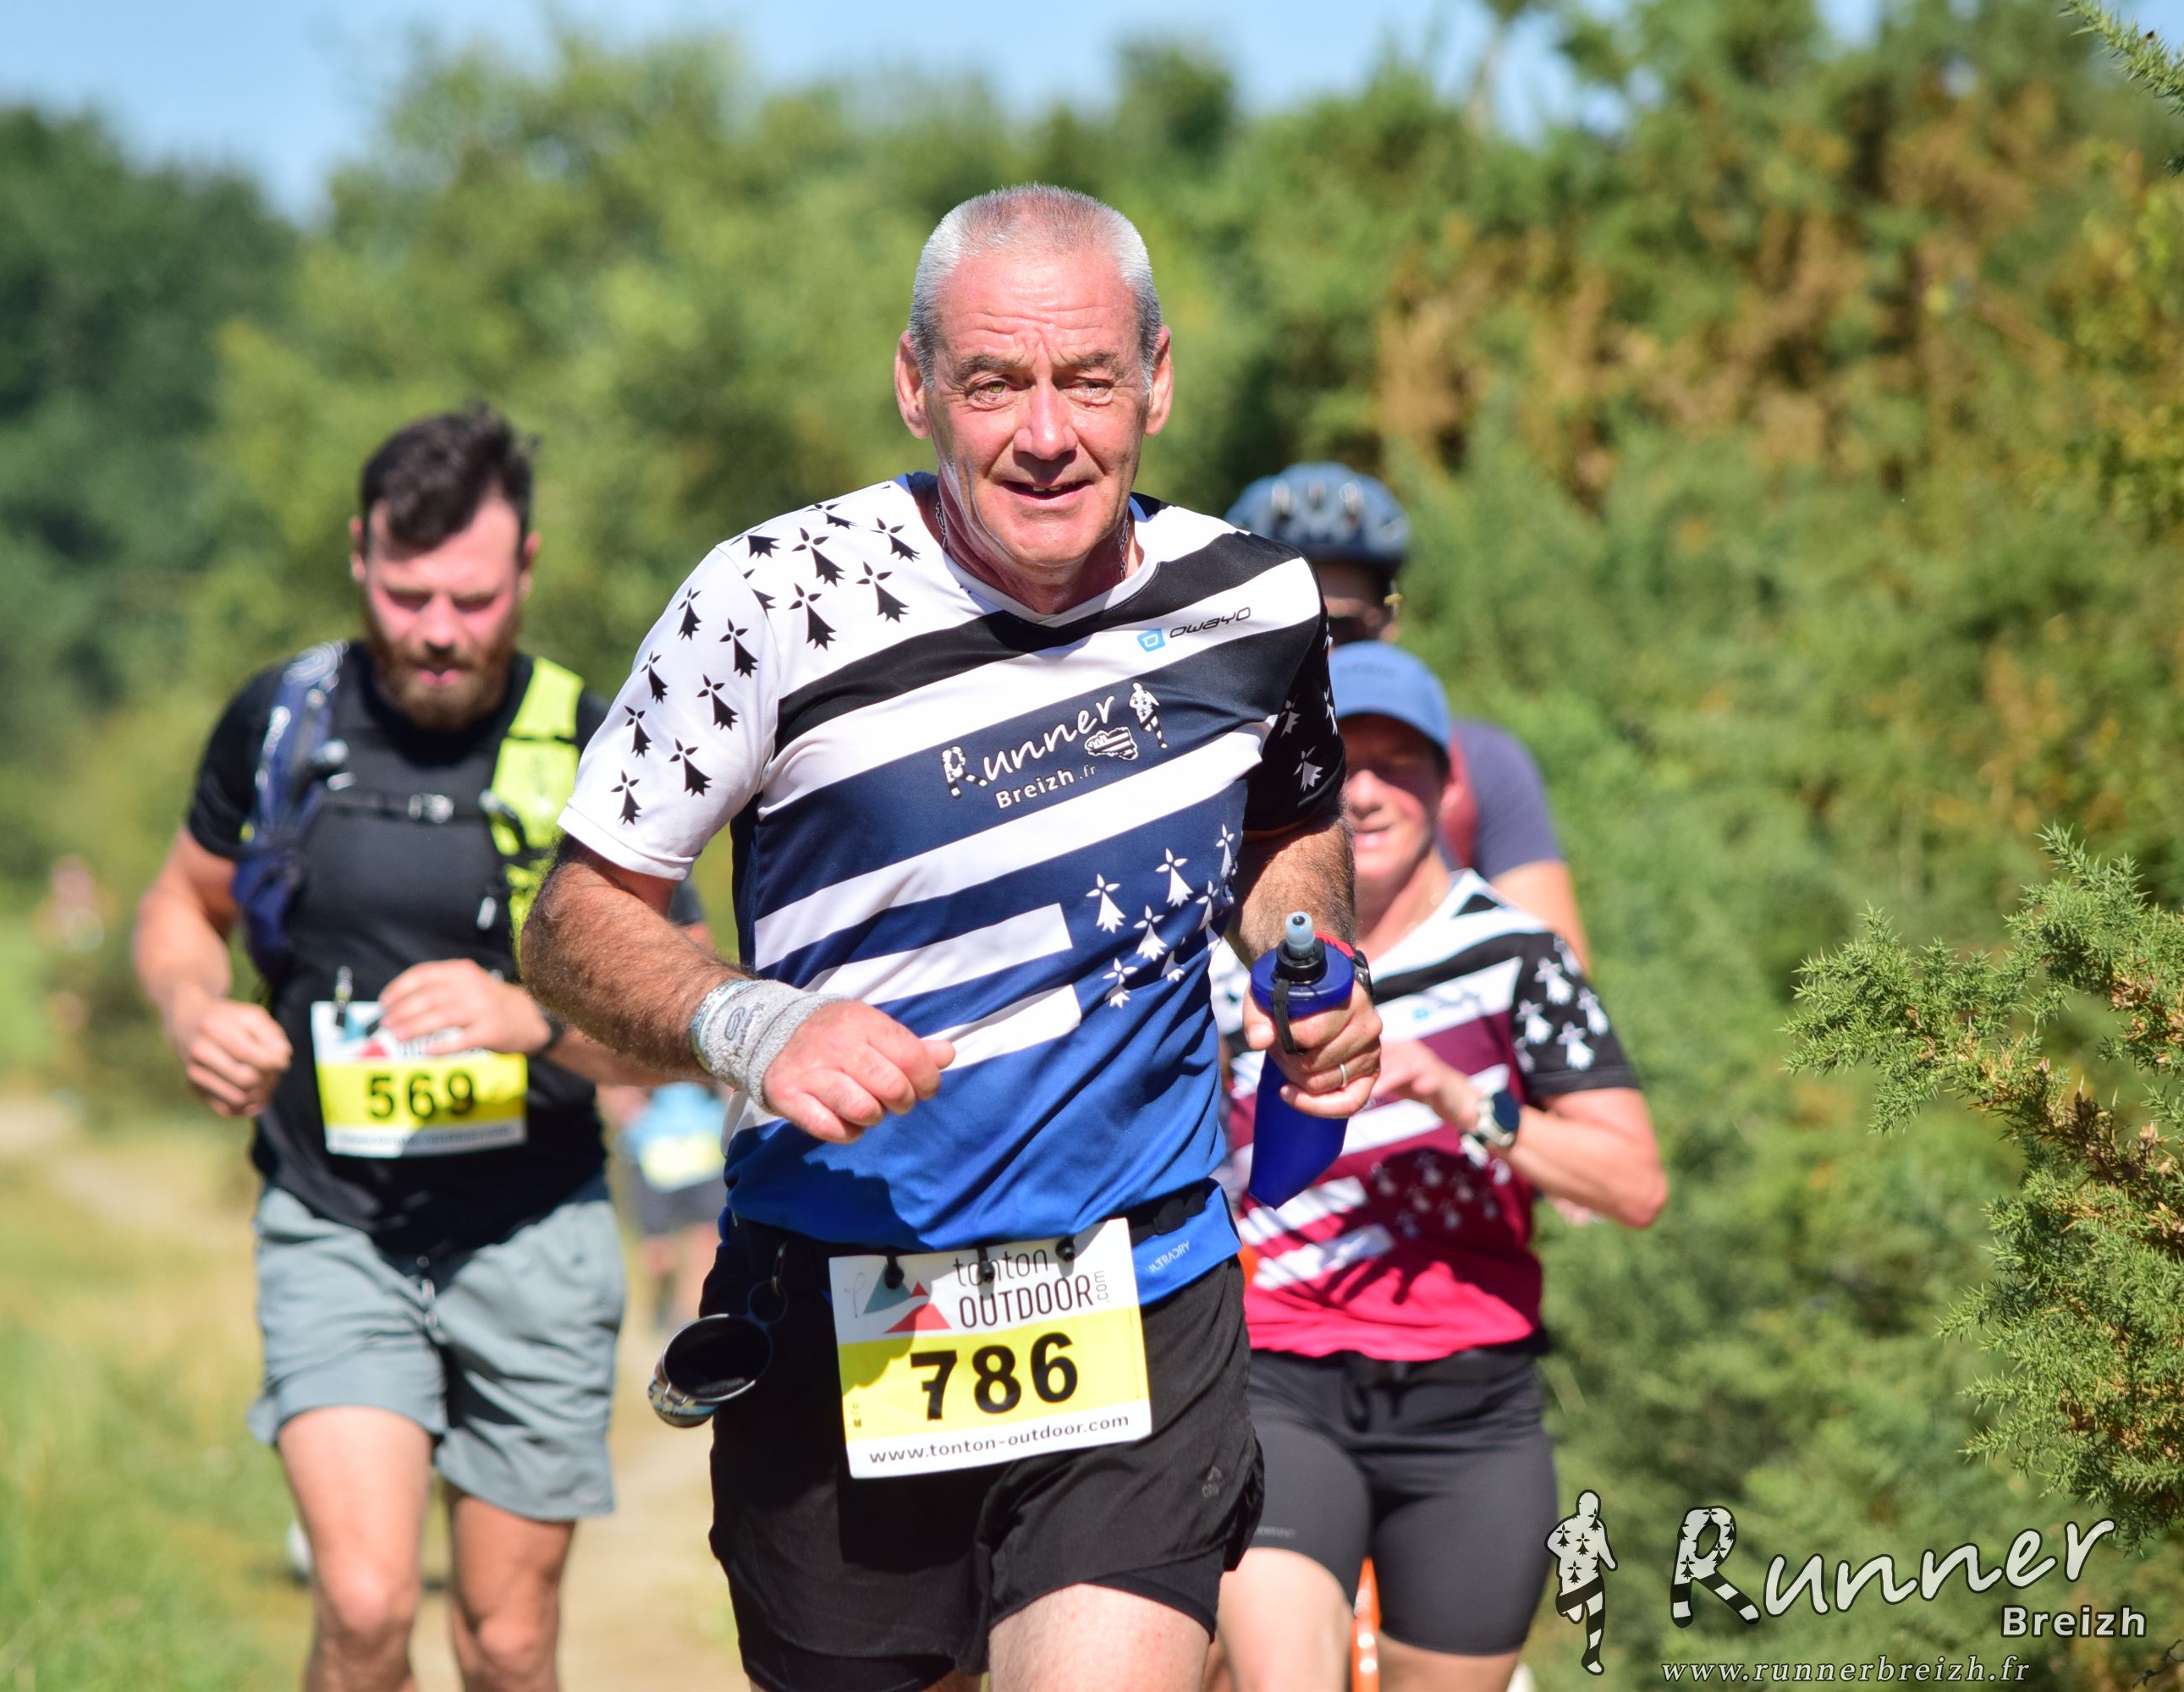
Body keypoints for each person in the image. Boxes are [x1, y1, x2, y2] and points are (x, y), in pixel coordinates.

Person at [519, 184, 1386, 1692]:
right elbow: (572, 922)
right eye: (993, 383)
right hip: (840, 1297)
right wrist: (755, 1024)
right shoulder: (769, 601)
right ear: (915, 383)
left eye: (1088, 380)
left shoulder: (1254, 602)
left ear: (1157, 381)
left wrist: (1306, 963)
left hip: (1139, 1283)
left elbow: (1285, 828)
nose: (1045, 433)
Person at [132, 404, 686, 1692]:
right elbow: (181, 906)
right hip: (336, 1225)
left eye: (473, 599)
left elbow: (681, 1030)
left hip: (533, 1232)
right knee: (366, 1606)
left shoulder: (595, 741)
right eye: (407, 592)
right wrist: (194, 1012)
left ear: (527, 569)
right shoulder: (283, 722)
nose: (439, 629)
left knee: (506, 1641)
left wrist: (533, 1019)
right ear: (359, 556)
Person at [1213, 642, 1666, 1692]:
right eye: (1342, 765)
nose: (1367, 793)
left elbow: (1633, 1184)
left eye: (1399, 763)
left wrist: (1465, 1098)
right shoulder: (1227, 964)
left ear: (1449, 783)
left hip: (1473, 1403)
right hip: (1277, 1374)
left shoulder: (1519, 957)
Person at [1224, 464, 1590, 968]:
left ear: (1387, 623)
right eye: (1290, 628)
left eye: (1340, 627)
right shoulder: (1195, 767)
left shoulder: (1483, 764)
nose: (1316, 651)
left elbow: (1553, 979)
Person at [603, 1079, 730, 1332]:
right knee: (658, 1255)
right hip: (649, 1152)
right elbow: (611, 1082)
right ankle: (662, 1308)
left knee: (707, 1245)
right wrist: (626, 1112)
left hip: (705, 1150)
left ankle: (692, 1322)